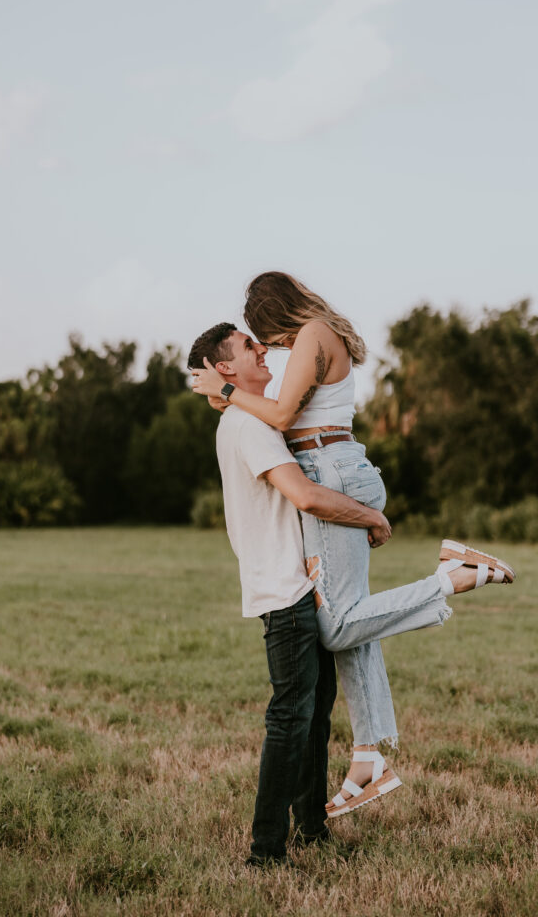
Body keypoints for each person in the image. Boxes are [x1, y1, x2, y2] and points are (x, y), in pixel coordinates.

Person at [190, 274, 517, 819]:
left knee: (337, 624)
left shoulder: (314, 335)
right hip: (335, 465)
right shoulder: (316, 336)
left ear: (274, 311)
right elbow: (267, 414)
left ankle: (453, 576)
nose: (265, 344)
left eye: (261, 332)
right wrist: (230, 399)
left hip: (329, 470)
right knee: (352, 617)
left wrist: (226, 391)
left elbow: (283, 416)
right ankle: (367, 757)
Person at [187, 322, 393, 867]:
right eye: (248, 346)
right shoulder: (248, 423)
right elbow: (304, 495)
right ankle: (265, 850)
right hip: (287, 594)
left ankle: (311, 828)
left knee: (314, 712)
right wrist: (370, 514)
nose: (263, 350)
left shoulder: (245, 418)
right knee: (291, 719)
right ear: (225, 367)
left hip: (295, 586)